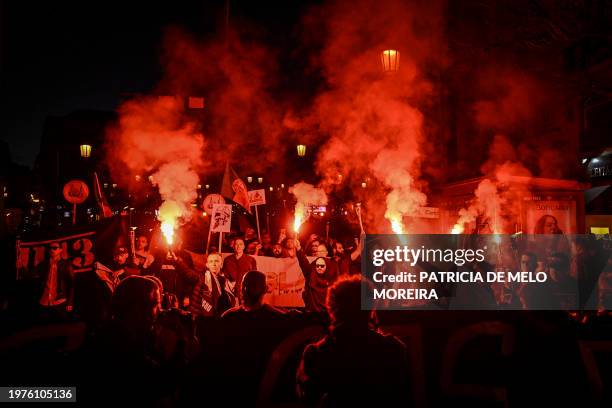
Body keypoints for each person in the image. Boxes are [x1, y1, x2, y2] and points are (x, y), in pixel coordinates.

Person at [296, 276, 410, 406]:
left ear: (332, 309)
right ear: (371, 308)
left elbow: (307, 400)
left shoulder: (317, 353)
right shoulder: (393, 349)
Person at [174, 252, 235, 317]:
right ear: (207, 265)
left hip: (217, 319)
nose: (214, 264)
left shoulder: (226, 282)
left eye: (216, 261)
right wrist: (176, 260)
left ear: (221, 264)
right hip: (199, 317)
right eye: (211, 261)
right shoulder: (201, 276)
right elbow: (187, 272)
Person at [297, 239, 339, 313]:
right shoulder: (312, 267)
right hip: (313, 309)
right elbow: (303, 263)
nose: (319, 267)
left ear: (326, 253)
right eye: (318, 251)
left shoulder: (333, 265)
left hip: (327, 309)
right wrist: (298, 248)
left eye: (322, 251)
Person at [38, 242, 73, 320]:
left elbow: (71, 284)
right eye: (50, 248)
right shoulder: (44, 264)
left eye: (55, 248)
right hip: (44, 302)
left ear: (60, 250)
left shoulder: (66, 264)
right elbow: (32, 274)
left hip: (60, 301)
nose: (52, 250)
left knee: (61, 328)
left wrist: (70, 302)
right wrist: (21, 267)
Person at [222, 238, 257, 302]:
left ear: (244, 246)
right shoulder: (227, 260)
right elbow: (224, 275)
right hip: (230, 291)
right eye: (236, 244)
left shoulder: (250, 260)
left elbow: (254, 276)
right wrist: (229, 283)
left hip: (245, 292)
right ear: (233, 246)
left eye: (240, 244)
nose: (238, 246)